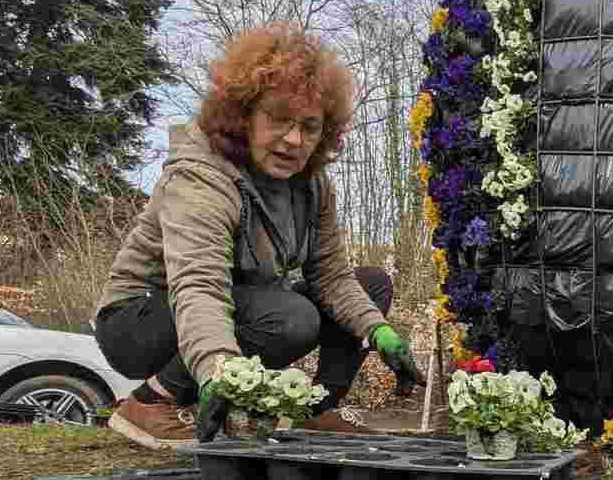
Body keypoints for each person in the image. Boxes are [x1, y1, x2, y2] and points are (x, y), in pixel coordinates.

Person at [96, 24, 424, 450]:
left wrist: (380, 333)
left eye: (309, 126)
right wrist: (218, 370)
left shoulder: (312, 185)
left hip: (237, 305)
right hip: (142, 318)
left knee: (370, 283)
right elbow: (199, 285)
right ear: (242, 116)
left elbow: (332, 276)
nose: (294, 140)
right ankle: (151, 401)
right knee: (290, 318)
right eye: (278, 118)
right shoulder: (203, 177)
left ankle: (311, 411)